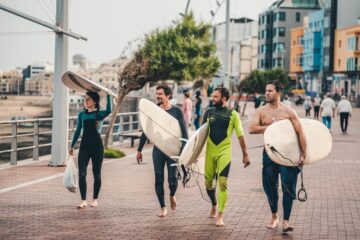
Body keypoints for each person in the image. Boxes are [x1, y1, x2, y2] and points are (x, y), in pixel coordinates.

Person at [249, 80, 307, 232]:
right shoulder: (261, 111)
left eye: (270, 90)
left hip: (288, 154)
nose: (267, 93)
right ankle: (274, 216)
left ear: (279, 93)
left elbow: (301, 132)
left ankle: (286, 221)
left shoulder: (289, 112)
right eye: (266, 90)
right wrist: (272, 127)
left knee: (288, 187)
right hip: (269, 153)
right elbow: (252, 128)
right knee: (270, 186)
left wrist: (304, 153)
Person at [136, 84, 188, 217]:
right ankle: (163, 207)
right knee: (158, 178)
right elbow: (146, 132)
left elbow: (184, 132)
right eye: (156, 94)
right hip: (158, 149)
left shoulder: (177, 112)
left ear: (168, 95)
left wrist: (184, 150)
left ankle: (172, 195)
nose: (157, 96)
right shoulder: (153, 112)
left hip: (172, 149)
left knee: (172, 180)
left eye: (160, 94)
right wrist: (139, 150)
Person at [202, 87, 250, 226]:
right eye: (213, 96)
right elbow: (201, 135)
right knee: (208, 184)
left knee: (222, 183)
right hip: (210, 152)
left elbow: (241, 135)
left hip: (224, 152)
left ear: (224, 99)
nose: (213, 98)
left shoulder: (233, 114)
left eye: (216, 97)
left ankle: (220, 215)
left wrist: (245, 155)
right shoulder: (208, 112)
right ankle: (214, 203)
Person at [69, 91, 112, 209]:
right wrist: (72, 145)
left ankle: (94, 199)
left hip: (97, 146)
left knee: (96, 174)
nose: (86, 101)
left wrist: (108, 95)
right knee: (81, 174)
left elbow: (109, 110)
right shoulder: (82, 115)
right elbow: (78, 131)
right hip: (84, 146)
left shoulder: (99, 114)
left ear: (94, 101)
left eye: (88, 99)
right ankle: (83, 200)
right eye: (85, 99)